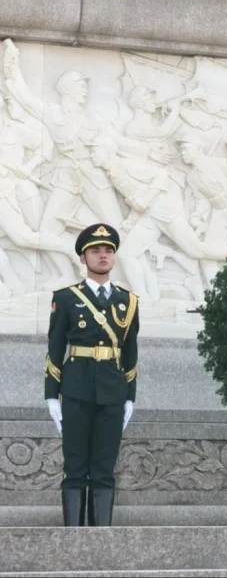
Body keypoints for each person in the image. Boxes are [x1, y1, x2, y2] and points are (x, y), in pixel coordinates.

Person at [44, 224, 140, 527]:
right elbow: (55, 347)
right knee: (74, 467)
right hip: (76, 388)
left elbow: (130, 352)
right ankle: (74, 539)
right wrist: (51, 395)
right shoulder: (66, 298)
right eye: (96, 251)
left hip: (113, 390)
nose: (103, 255)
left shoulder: (129, 301)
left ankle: (100, 541)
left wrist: (130, 396)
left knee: (104, 468)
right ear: (83, 258)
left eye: (108, 251)